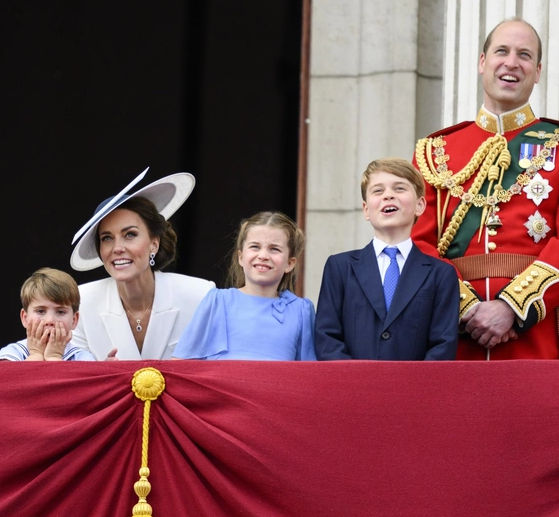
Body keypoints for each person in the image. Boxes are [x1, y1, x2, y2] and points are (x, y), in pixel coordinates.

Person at [412, 18, 559, 359]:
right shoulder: (436, 152)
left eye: (524, 55)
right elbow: (417, 242)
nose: (511, 63)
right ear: (482, 62)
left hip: (534, 339)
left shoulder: (556, 145)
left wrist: (512, 307)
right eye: (502, 51)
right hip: (454, 338)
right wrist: (465, 309)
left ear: (537, 72)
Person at [315, 158, 459, 360]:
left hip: (413, 388)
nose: (388, 195)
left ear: (420, 205)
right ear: (366, 209)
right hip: (353, 387)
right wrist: (353, 383)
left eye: (399, 188)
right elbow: (326, 336)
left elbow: (443, 343)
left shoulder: (441, 274)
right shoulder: (340, 268)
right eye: (378, 191)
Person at [69, 169, 215, 360]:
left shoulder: (200, 295)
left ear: (154, 243)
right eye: (107, 238)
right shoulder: (81, 302)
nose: (117, 248)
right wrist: (99, 375)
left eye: (130, 234)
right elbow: (74, 378)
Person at [172, 211, 316, 360]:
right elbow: (181, 363)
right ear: (241, 257)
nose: (263, 256)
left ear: (290, 263)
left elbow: (310, 374)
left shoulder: (301, 311)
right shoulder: (217, 301)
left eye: (274, 249)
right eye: (255, 246)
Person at [0, 267, 116, 361]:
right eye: (40, 311)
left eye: (60, 312)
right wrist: (36, 354)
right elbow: (8, 386)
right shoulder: (12, 353)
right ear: (25, 318)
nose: (50, 320)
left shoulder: (82, 357)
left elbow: (80, 391)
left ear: (74, 320)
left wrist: (54, 357)